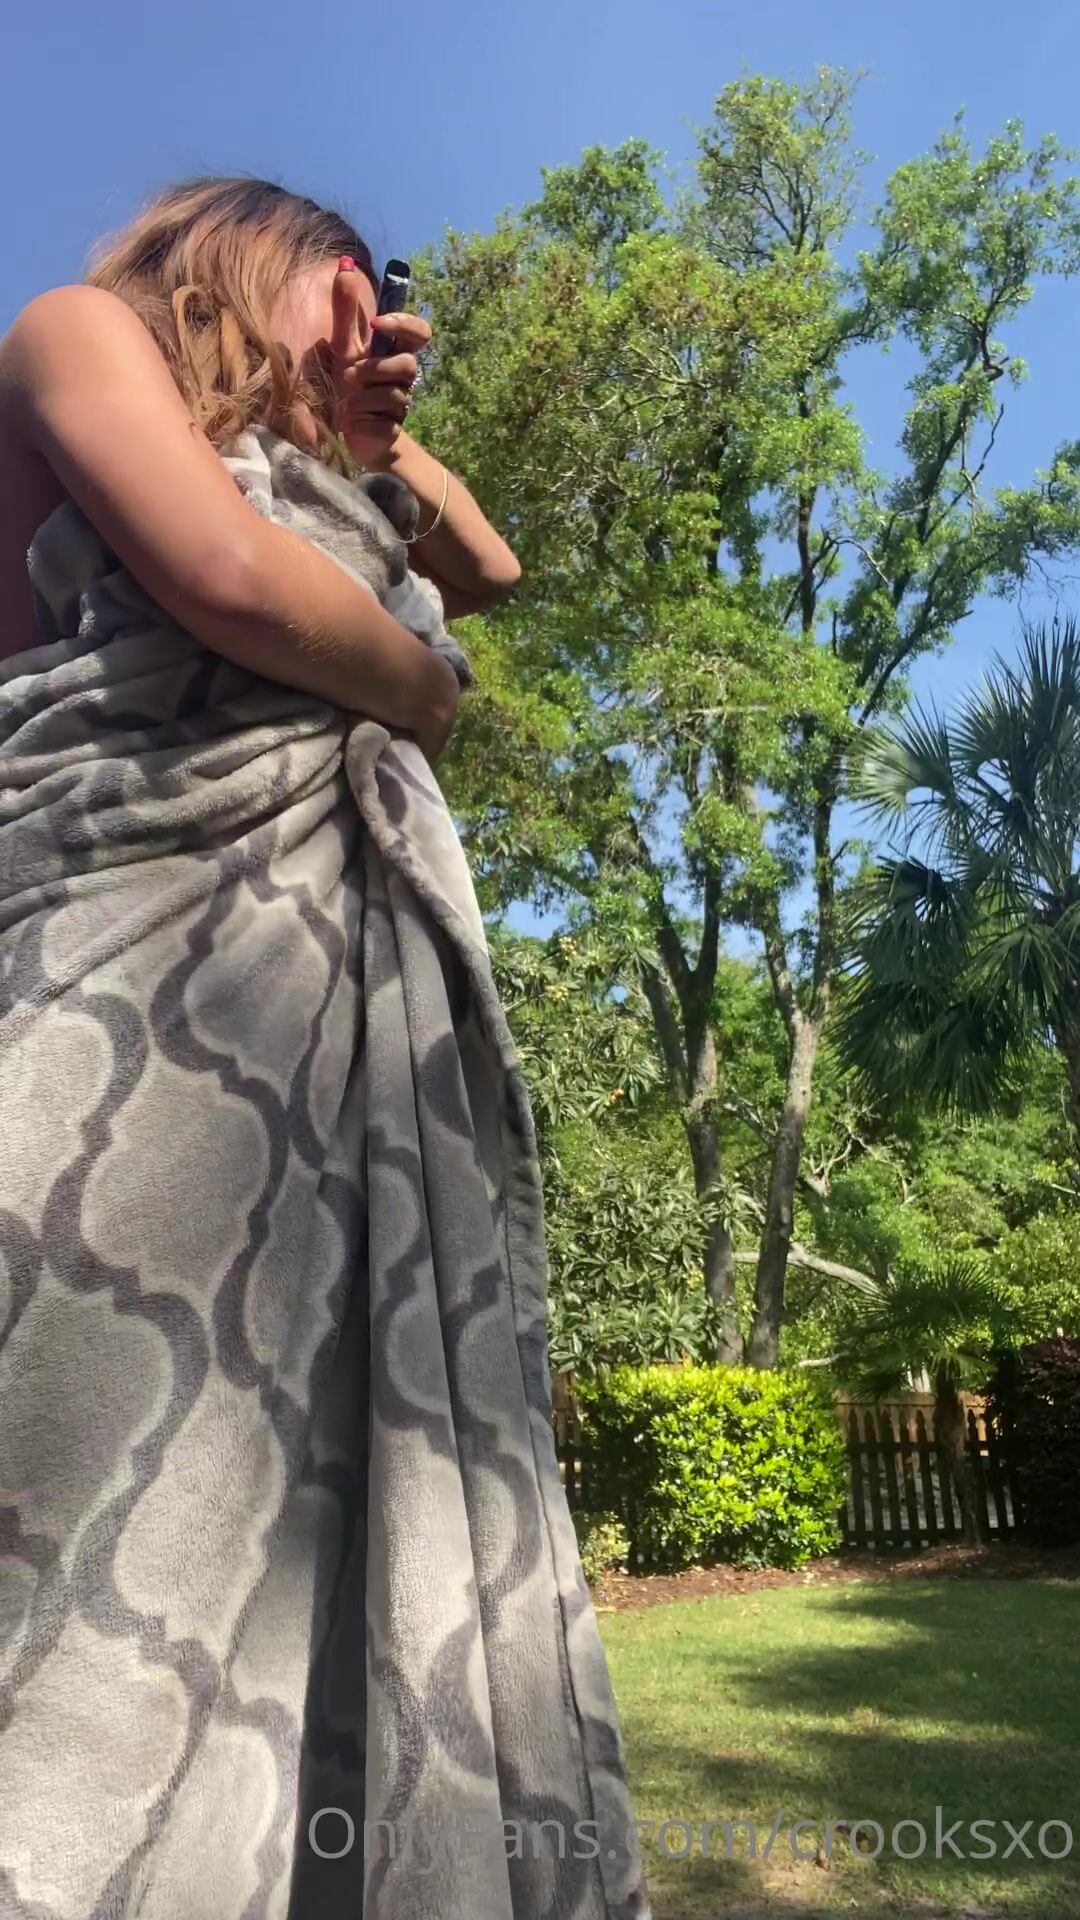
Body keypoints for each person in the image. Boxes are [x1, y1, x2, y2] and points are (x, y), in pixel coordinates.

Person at [0, 181, 649, 1919]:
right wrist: (424, 694)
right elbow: (226, 579)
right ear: (238, 258)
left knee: (302, 1526)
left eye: (382, 304)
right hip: (126, 983)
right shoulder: (75, 338)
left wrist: (376, 437)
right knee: (95, 1496)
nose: (369, 329)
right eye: (339, 291)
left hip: (318, 1035)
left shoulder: (335, 472)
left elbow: (489, 569)